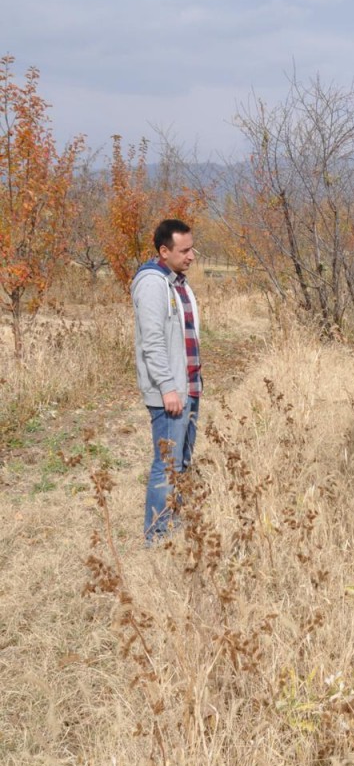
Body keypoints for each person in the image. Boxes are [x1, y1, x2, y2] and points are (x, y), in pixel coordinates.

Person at [131, 218, 201, 544]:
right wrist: (168, 387)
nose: (191, 255)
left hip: (189, 388)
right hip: (169, 393)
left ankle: (175, 524)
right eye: (184, 250)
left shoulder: (179, 283)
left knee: (182, 461)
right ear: (164, 250)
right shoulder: (152, 283)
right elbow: (153, 341)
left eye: (191, 248)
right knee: (167, 464)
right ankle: (156, 537)